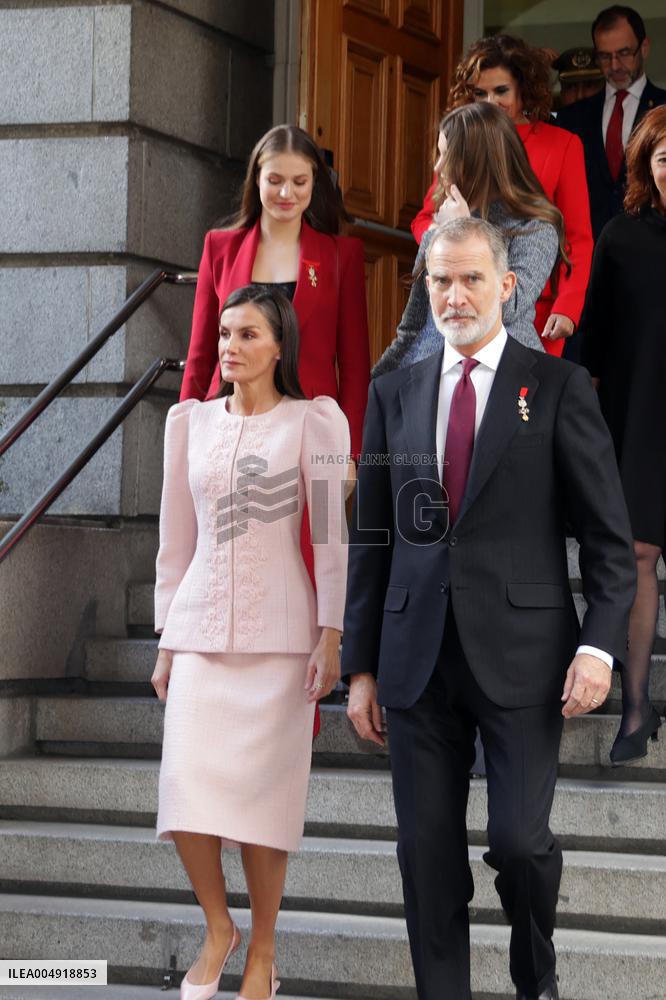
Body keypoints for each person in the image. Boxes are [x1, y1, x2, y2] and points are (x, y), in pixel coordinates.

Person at [343, 217, 636, 1000]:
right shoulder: (393, 393)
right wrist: (359, 668)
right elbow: (372, 541)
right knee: (425, 854)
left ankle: (534, 973)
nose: (455, 294)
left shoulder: (559, 387)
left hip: (525, 657)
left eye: (472, 278)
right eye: (440, 279)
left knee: (517, 840)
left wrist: (599, 648)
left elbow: (611, 542)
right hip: (415, 660)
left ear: (508, 287)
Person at [152, 285, 350, 1000]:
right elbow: (176, 542)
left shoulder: (316, 423)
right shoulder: (188, 425)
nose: (229, 346)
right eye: (226, 333)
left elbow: (331, 538)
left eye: (248, 335)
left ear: (279, 346)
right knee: (185, 791)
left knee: (265, 807)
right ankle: (218, 927)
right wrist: (167, 639)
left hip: (282, 642)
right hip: (199, 634)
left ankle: (263, 948)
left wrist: (331, 635)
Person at [180, 123, 370, 461]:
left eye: (299, 182)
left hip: (311, 433)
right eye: (275, 181)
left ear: (315, 182)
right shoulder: (219, 247)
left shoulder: (343, 255)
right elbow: (200, 354)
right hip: (228, 425)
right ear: (256, 178)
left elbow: (355, 368)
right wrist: (184, 440)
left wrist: (351, 455)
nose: (287, 194)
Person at [411, 34, 593, 357]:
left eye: (501, 91)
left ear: (524, 88)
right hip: (465, 304)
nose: (491, 102)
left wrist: (569, 306)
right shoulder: (461, 143)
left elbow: (577, 237)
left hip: (535, 310)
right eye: (480, 93)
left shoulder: (562, 145)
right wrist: (452, 235)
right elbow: (427, 217)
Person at [579, 105, 666, 764]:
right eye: (665, 159)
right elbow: (593, 345)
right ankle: (635, 707)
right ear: (647, 166)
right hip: (638, 422)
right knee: (637, 555)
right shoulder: (622, 237)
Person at [373, 102, 563, 376]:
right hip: (428, 376)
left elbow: (507, 307)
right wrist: (377, 387)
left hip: (505, 380)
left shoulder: (535, 227)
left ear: (477, 159)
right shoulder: (441, 223)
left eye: (446, 156)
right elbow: (412, 326)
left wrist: (466, 229)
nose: (438, 167)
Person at [557, 5, 666, 240]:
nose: (615, 65)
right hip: (588, 256)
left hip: (651, 248)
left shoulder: (663, 108)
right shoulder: (571, 117)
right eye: (605, 56)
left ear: (644, 48)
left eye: (624, 53)